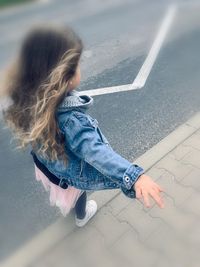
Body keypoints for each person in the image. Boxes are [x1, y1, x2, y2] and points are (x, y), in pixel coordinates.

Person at [2, 25, 164, 228]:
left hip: (48, 166)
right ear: (64, 77)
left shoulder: (26, 98)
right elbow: (97, 152)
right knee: (76, 192)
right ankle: (81, 216)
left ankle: (72, 209)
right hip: (68, 172)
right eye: (78, 64)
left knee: (64, 191)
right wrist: (135, 177)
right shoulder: (71, 121)